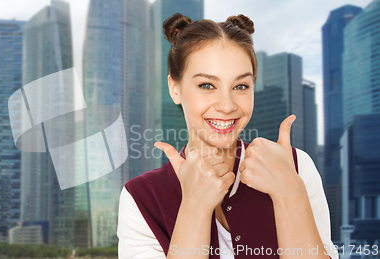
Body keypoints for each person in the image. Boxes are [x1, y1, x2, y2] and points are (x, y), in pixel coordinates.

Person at [117, 13, 338, 259]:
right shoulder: (141, 197)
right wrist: (195, 207)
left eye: (240, 86)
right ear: (175, 88)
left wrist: (289, 191)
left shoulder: (296, 168)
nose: (227, 105)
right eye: (207, 85)